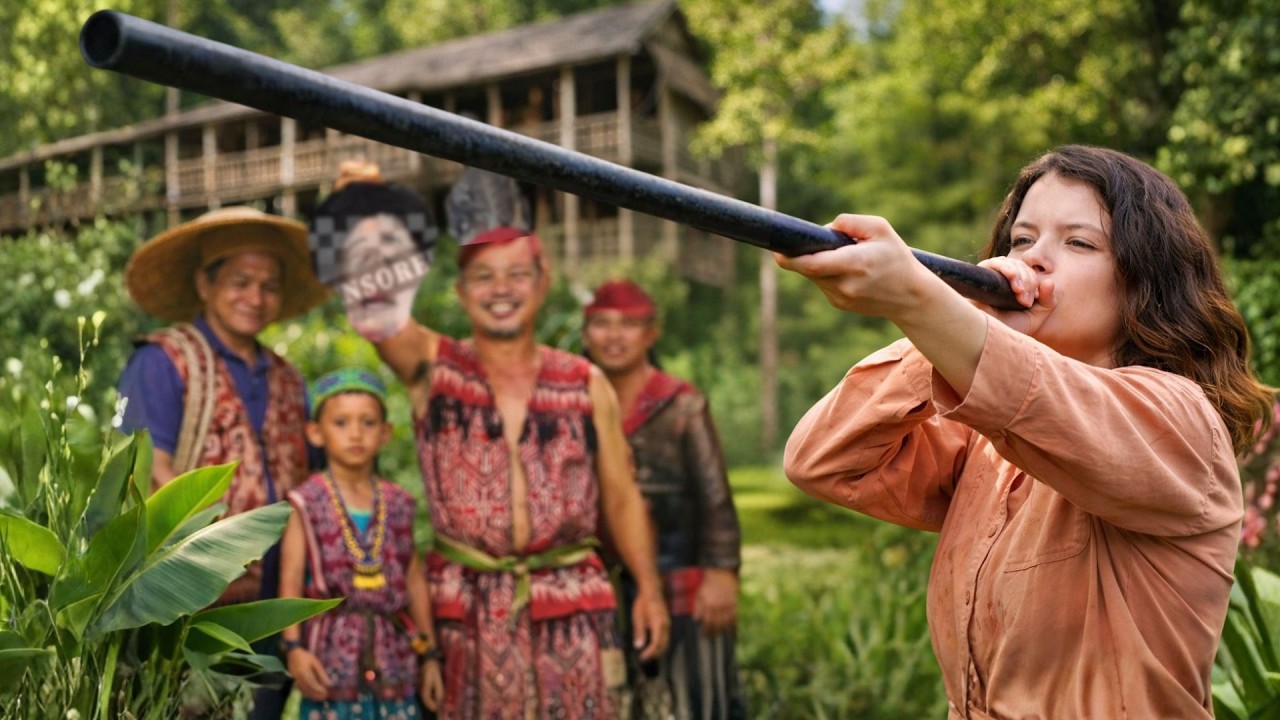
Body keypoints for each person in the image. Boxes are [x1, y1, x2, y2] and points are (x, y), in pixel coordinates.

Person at [778, 144, 1275, 719]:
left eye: (1078, 242)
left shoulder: (1180, 423)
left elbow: (1048, 400)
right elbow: (822, 459)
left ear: (1144, 280)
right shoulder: (984, 444)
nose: (1034, 260)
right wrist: (944, 328)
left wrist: (921, 300)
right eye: (1022, 240)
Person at [318, 164, 670, 719]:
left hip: (571, 605)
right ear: (460, 292)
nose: (501, 290)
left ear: (542, 279)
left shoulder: (585, 381)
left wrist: (649, 588)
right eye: (484, 277)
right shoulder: (432, 366)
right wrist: (355, 209)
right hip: (465, 609)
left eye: (516, 274)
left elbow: (622, 496)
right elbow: (374, 312)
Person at [117, 206, 329, 718]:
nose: (255, 299)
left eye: (268, 285)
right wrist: (225, 546)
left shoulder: (286, 378)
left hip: (272, 612)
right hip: (189, 613)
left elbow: (313, 480)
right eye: (240, 282)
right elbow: (145, 472)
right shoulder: (164, 361)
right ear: (204, 284)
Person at [582, 279, 745, 720]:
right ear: (585, 334)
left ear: (650, 334)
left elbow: (715, 495)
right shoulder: (569, 399)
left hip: (679, 570)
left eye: (628, 325)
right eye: (602, 324)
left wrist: (721, 572)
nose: (614, 336)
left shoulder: (681, 405)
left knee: (696, 695)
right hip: (595, 576)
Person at [278, 367, 444, 720]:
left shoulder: (399, 503)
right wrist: (293, 648)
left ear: (385, 433)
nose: (355, 433)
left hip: (395, 656)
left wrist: (429, 655)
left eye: (368, 423)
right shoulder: (304, 502)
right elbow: (290, 581)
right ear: (316, 432)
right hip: (330, 656)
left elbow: (413, 578)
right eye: (341, 423)